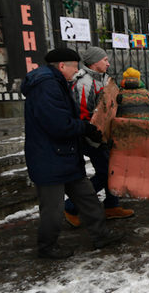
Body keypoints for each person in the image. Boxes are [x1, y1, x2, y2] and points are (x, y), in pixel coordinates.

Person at [21, 48, 123, 259]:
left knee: (87, 198)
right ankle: (47, 247)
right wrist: (85, 128)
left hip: (65, 154)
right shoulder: (46, 86)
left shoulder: (57, 83)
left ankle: (101, 235)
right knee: (52, 209)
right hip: (48, 157)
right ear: (61, 66)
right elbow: (58, 124)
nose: (77, 71)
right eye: (75, 67)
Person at [63, 47, 134, 227]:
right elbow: (83, 114)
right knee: (105, 173)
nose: (108, 63)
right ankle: (70, 207)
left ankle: (111, 206)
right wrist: (93, 137)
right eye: (104, 60)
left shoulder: (103, 78)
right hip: (91, 137)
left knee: (113, 170)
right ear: (94, 62)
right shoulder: (84, 83)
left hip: (106, 135)